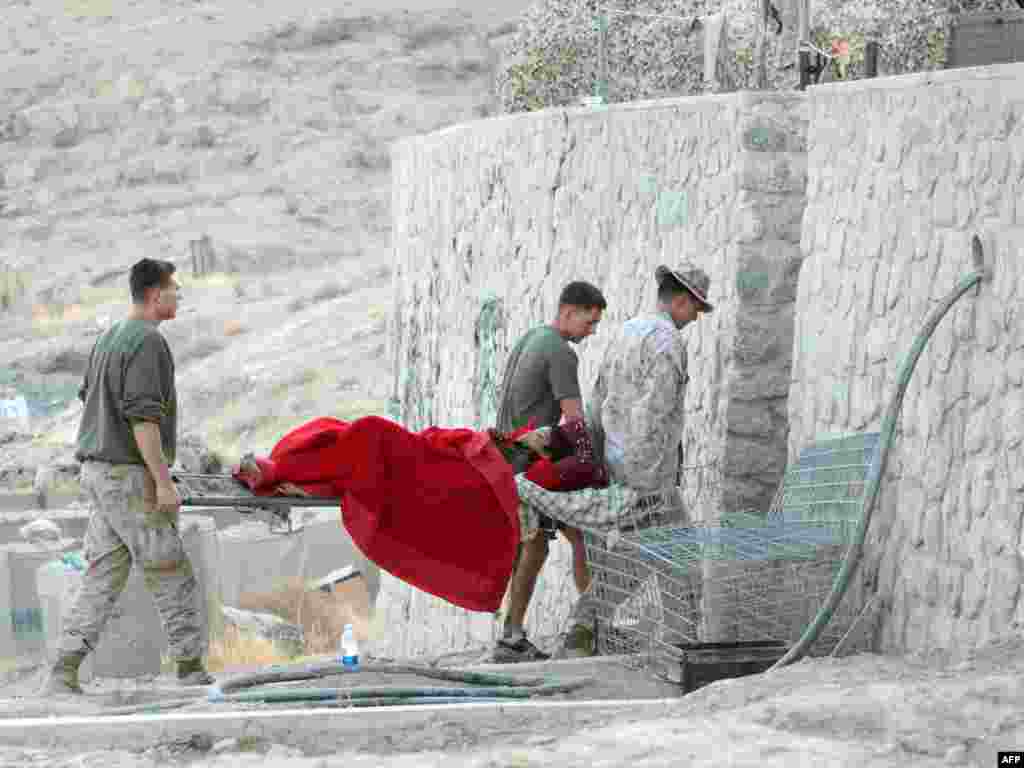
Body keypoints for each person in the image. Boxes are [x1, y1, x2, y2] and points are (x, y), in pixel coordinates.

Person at [508, 263, 714, 660]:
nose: (697, 318)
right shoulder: (669, 342)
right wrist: (651, 484)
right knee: (681, 563)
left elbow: (599, 401)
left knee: (630, 563)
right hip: (649, 478)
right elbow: (655, 412)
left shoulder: (627, 332)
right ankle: (681, 649)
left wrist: (603, 468)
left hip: (621, 470)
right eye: (697, 309)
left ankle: (583, 632)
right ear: (682, 300)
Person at [42, 258, 214, 695]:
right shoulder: (148, 341)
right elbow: (143, 419)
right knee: (169, 567)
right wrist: (163, 481)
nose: (179, 296)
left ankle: (63, 669)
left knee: (102, 574)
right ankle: (191, 668)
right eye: (175, 289)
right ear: (156, 294)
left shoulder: (109, 336)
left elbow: (90, 396)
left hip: (98, 473)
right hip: (128, 476)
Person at [493, 280, 608, 663]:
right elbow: (574, 421)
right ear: (568, 312)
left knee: (573, 536)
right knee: (547, 542)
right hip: (530, 466)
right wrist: (595, 468)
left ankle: (588, 624)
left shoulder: (531, 338)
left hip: (509, 458)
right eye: (589, 323)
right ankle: (518, 636)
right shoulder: (560, 351)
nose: (591, 333)